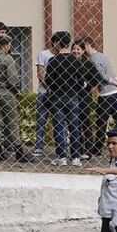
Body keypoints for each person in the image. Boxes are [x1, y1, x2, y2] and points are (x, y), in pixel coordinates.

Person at [0, 34, 32, 163]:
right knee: (12, 121)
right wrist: (16, 91)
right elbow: (13, 79)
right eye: (9, 44)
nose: (10, 46)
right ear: (5, 45)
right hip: (6, 92)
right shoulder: (8, 59)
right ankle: (19, 152)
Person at [83, 37, 117, 154]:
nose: (82, 50)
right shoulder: (103, 56)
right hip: (116, 94)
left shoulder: (93, 59)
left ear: (88, 45)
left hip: (106, 94)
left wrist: (116, 83)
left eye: (83, 47)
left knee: (101, 123)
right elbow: (111, 72)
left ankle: (96, 149)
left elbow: (103, 76)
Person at [44, 31, 86, 167]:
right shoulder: (75, 60)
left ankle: (62, 157)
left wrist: (55, 86)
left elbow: (48, 79)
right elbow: (81, 81)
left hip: (57, 97)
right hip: (73, 96)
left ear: (57, 43)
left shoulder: (53, 60)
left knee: (59, 127)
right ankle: (75, 157)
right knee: (74, 127)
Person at [73, 39, 102, 161]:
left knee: (85, 123)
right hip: (73, 96)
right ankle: (77, 150)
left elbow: (96, 79)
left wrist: (87, 84)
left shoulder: (88, 64)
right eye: (74, 49)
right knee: (75, 123)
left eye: (78, 49)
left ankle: (88, 150)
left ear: (83, 50)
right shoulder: (70, 63)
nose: (76, 51)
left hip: (85, 96)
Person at [33, 34, 56, 156]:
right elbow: (40, 73)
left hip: (59, 94)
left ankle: (62, 147)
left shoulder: (64, 56)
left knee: (59, 121)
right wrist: (49, 87)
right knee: (42, 119)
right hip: (44, 92)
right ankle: (39, 147)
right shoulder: (43, 54)